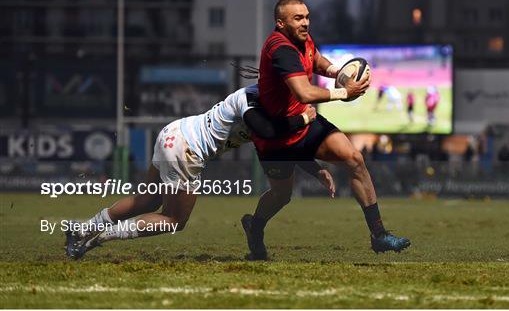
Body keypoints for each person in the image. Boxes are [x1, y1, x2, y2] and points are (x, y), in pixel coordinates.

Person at [64, 84, 336, 259]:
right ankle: (98, 238)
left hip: (174, 131)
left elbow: (283, 145)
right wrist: (303, 119)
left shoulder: (268, 103)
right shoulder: (251, 101)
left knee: (146, 200)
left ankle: (81, 229)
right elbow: (269, 132)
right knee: (174, 220)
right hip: (185, 149)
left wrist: (316, 170)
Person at [241, 0, 410, 260]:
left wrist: (340, 74)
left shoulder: (302, 39)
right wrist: (345, 91)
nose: (305, 22)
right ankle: (255, 227)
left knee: (354, 159)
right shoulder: (281, 48)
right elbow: (305, 92)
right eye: (298, 18)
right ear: (280, 23)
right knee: (281, 195)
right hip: (278, 134)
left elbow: (316, 59)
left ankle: (379, 235)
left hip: (306, 123)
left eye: (307, 16)